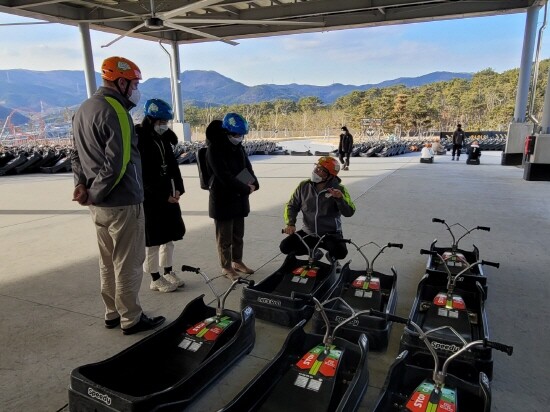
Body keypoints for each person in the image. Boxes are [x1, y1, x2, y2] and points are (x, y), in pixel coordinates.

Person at [71, 56, 165, 335]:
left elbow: (75, 155)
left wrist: (82, 187)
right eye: (135, 83)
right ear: (121, 82)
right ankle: (131, 318)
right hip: (122, 202)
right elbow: (119, 162)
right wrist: (96, 193)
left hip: (97, 205)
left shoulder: (84, 109)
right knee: (128, 263)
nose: (137, 89)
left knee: (107, 261)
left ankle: (111, 313)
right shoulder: (116, 111)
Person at [136, 99, 186, 293]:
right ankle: (154, 277)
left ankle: (167, 271)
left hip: (169, 195)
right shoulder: (140, 140)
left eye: (166, 121)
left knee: (169, 239)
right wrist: (163, 196)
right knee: (153, 241)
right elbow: (142, 177)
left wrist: (178, 190)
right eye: (161, 121)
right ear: (151, 119)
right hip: (151, 199)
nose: (164, 124)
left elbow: (173, 167)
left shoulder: (164, 139)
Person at [205, 113, 260, 281]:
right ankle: (226, 266)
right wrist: (246, 188)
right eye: (236, 135)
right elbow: (224, 176)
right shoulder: (214, 149)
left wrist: (254, 183)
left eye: (241, 135)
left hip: (239, 198)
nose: (239, 138)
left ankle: (237, 261)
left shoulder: (238, 147)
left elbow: (246, 168)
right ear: (226, 133)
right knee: (225, 238)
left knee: (238, 235)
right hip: (223, 198)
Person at [281, 156, 356, 260]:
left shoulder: (340, 189)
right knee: (285, 247)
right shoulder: (304, 186)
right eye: (317, 167)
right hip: (309, 232)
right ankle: (314, 252)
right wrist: (290, 223)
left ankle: (331, 256)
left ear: (329, 176)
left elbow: (350, 212)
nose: (316, 170)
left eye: (321, 170)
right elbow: (291, 205)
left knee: (341, 253)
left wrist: (340, 199)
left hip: (330, 234)